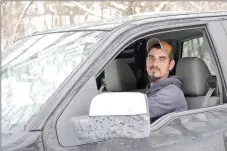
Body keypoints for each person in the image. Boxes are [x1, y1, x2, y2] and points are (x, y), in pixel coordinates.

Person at [145, 38, 188, 123]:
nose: (155, 64)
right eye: (151, 58)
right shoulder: (152, 89)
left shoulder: (172, 93)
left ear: (171, 65)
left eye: (162, 59)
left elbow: (135, 111)